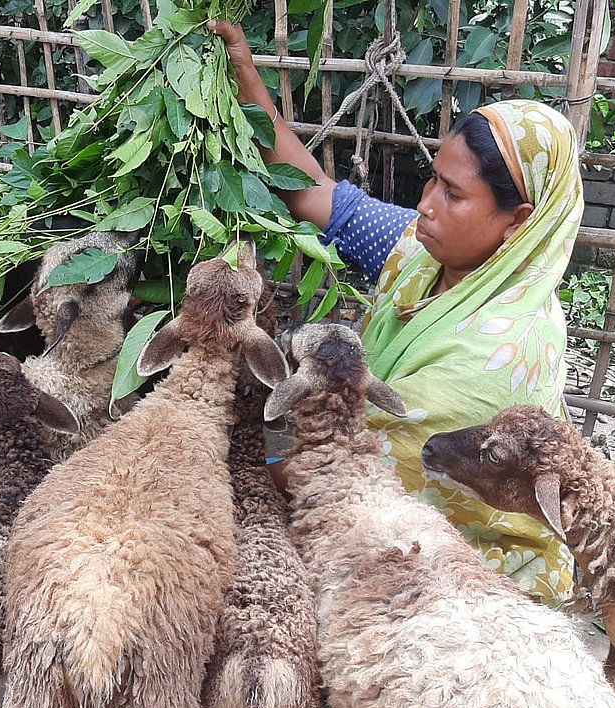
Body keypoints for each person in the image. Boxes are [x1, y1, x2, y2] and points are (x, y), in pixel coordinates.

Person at [211, 20, 584, 604]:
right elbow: (314, 192)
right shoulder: (421, 251)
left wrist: (219, 460)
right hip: (355, 485)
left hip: (459, 565)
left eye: (453, 195)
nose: (425, 205)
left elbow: (340, 469)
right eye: (433, 181)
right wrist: (246, 79)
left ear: (519, 219)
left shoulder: (499, 356)